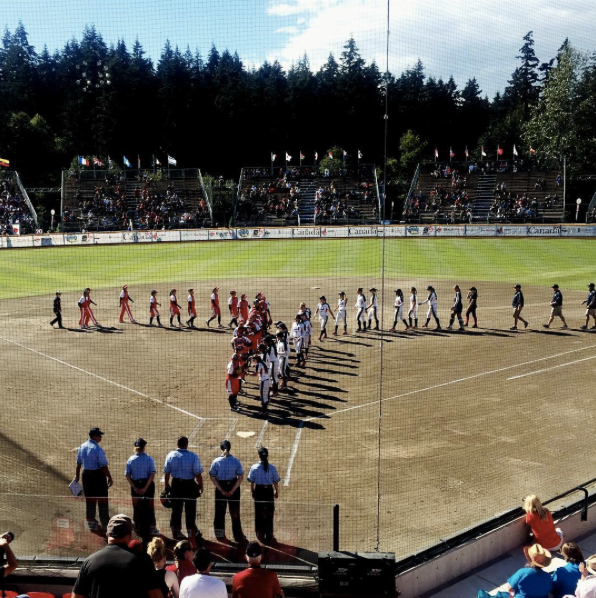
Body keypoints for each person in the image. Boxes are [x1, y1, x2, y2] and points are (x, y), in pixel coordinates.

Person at [72, 514, 162, 598]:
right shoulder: (143, 561)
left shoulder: (89, 562)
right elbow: (155, 595)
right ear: (130, 536)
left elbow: (77, 596)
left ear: (107, 535)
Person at [163, 436, 204, 542]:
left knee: (176, 509)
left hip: (176, 484)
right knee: (190, 510)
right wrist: (201, 486)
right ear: (187, 444)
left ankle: (175, 531)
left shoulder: (171, 455)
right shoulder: (193, 456)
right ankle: (191, 531)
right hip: (189, 485)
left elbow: (167, 473)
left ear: (177, 444)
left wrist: (167, 485)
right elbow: (198, 474)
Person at [75, 427, 113, 534]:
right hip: (98, 476)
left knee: (90, 500)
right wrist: (109, 477)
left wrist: (77, 477)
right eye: (100, 435)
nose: (101, 437)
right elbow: (103, 466)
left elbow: (78, 465)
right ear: (95, 436)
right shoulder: (97, 449)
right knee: (102, 500)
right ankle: (105, 523)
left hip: (86, 476)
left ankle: (91, 522)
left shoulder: (82, 447)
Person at [209, 439, 246, 543]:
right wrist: (232, 490)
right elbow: (240, 477)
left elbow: (212, 477)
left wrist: (221, 490)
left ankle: (220, 535)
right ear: (230, 448)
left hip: (221, 487)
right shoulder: (236, 461)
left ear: (221, 449)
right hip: (233, 487)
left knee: (220, 513)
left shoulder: (216, 461)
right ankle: (238, 535)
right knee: (235, 513)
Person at [125, 438, 158, 540]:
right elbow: (152, 474)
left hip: (135, 485)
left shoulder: (131, 460)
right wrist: (145, 487)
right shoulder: (149, 459)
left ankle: (137, 527)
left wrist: (134, 487)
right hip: (147, 485)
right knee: (150, 506)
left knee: (136, 507)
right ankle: (151, 527)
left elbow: (127, 475)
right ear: (144, 448)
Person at [247, 447, 280, 546]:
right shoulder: (272, 467)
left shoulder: (254, 467)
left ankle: (260, 533)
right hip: (268, 492)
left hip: (259, 492)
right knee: (269, 513)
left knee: (258, 513)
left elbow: (251, 482)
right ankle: (269, 534)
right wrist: (276, 491)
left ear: (259, 456)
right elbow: (275, 482)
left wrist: (252, 492)